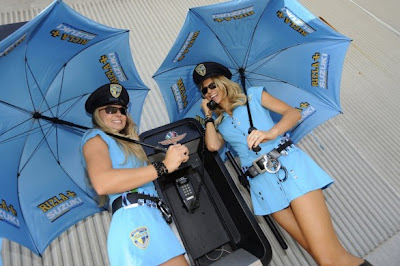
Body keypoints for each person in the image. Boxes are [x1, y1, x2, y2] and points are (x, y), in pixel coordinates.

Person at [193, 62, 372, 266]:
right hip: (263, 188)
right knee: (319, 254)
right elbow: (213, 145)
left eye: (212, 85)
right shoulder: (220, 124)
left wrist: (270, 133)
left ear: (223, 83)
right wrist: (208, 117)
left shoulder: (253, 96)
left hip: (289, 168)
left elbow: (293, 113)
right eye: (204, 90)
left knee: (329, 258)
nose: (209, 92)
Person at [81, 83, 189, 266]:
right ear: (97, 115)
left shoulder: (128, 145)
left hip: (150, 215)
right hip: (135, 219)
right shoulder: (95, 138)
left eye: (122, 110)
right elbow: (102, 182)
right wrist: (163, 166)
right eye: (110, 110)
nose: (118, 115)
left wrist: (173, 159)